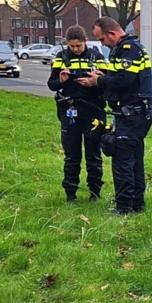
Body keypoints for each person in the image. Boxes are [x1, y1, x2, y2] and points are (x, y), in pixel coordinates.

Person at [90, 16, 152, 215]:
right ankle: (137, 204)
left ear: (112, 34)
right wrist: (105, 76)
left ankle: (124, 207)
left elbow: (124, 79)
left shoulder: (129, 50)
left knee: (122, 161)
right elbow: (120, 76)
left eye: (102, 39)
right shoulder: (126, 49)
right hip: (133, 113)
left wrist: (98, 82)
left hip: (133, 114)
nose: (103, 44)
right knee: (134, 159)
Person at [47, 25, 107, 203]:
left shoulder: (97, 57)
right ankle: (71, 193)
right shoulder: (61, 58)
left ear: (85, 42)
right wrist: (61, 80)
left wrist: (96, 80)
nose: (75, 49)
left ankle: (94, 192)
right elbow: (52, 84)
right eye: (71, 46)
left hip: (93, 111)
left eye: (78, 46)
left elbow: (108, 83)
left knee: (93, 154)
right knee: (72, 155)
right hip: (70, 111)